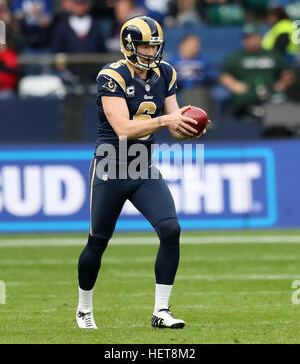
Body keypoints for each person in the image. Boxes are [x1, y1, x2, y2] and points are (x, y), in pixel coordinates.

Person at [76, 16, 208, 330]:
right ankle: (83, 309)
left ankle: (161, 311)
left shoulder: (166, 72)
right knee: (98, 242)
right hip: (110, 164)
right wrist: (167, 121)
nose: (150, 51)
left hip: (143, 164)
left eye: (154, 45)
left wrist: (188, 127)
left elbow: (174, 123)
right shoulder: (113, 75)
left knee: (171, 230)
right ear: (129, 45)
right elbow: (123, 128)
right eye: (145, 44)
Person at [219, 23, 294, 118]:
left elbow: (287, 72)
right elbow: (224, 75)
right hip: (247, 93)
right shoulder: (235, 57)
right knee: (243, 103)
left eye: (252, 37)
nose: (249, 41)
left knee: (281, 100)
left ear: (259, 37)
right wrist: (234, 85)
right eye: (246, 38)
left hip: (271, 90)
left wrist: (282, 83)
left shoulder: (273, 55)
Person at [170, 34, 216, 115]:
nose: (196, 47)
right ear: (183, 45)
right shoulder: (173, 62)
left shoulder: (203, 61)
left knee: (197, 91)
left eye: (197, 44)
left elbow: (212, 77)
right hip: (179, 90)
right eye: (192, 44)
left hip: (199, 90)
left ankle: (200, 118)